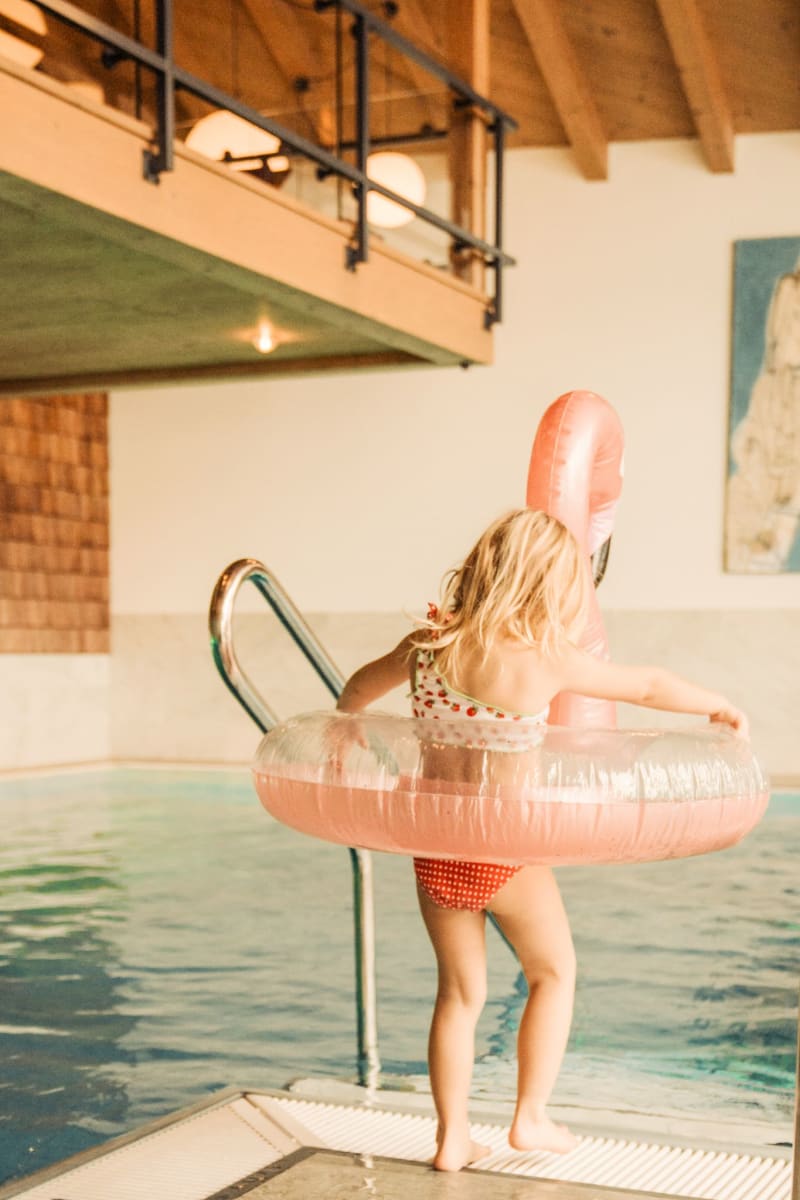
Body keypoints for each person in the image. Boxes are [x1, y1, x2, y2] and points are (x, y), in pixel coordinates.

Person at [336, 508, 749, 1172]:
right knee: (553, 973)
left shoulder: (427, 645)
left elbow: (357, 687)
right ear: (552, 587)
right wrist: (716, 703)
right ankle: (529, 1117)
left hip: (437, 844)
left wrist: (347, 727)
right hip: (504, 847)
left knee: (459, 996)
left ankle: (451, 1138)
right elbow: (646, 684)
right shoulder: (546, 658)